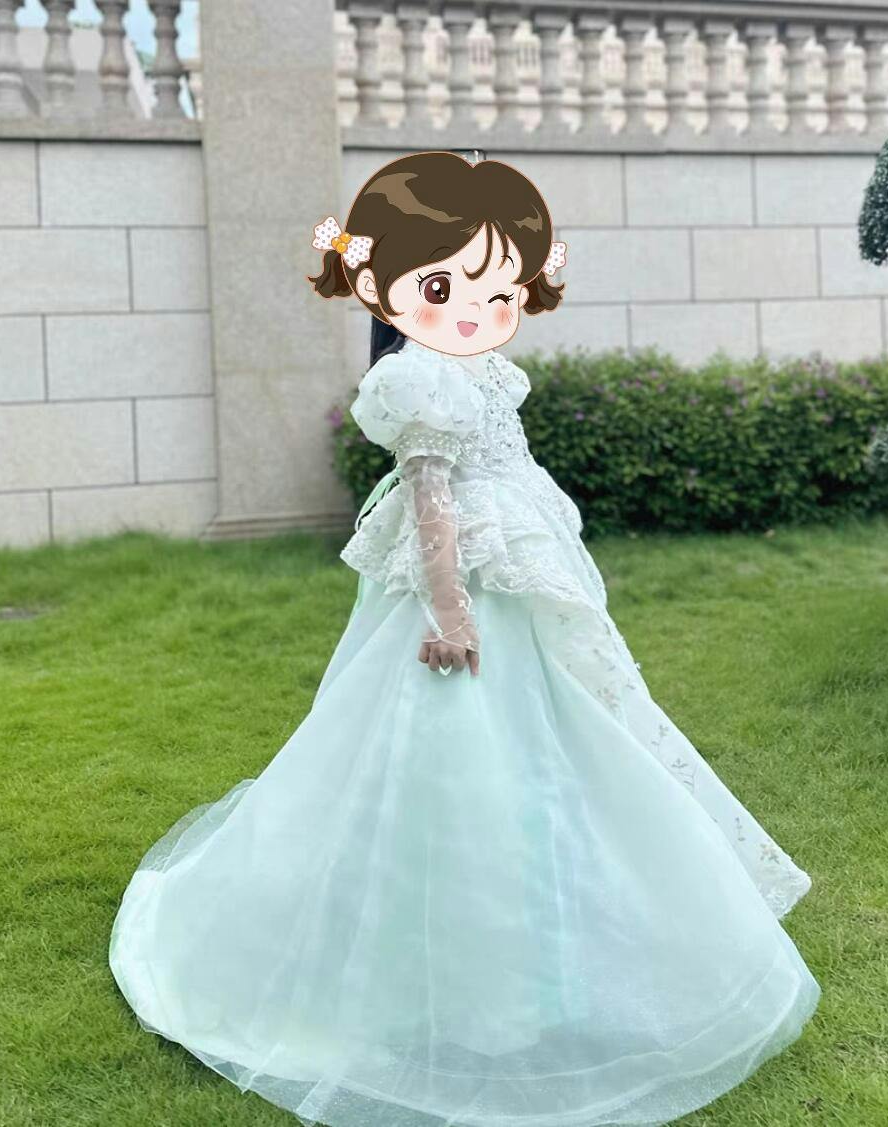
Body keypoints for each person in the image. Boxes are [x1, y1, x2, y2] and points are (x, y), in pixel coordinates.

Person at [108, 151, 821, 1127]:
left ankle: (549, 956)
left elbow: (498, 474)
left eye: (494, 286)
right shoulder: (416, 381)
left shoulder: (479, 368)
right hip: (466, 598)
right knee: (452, 764)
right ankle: (456, 982)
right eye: (444, 285)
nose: (476, 306)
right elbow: (431, 501)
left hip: (516, 578)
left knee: (560, 755)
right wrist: (451, 614)